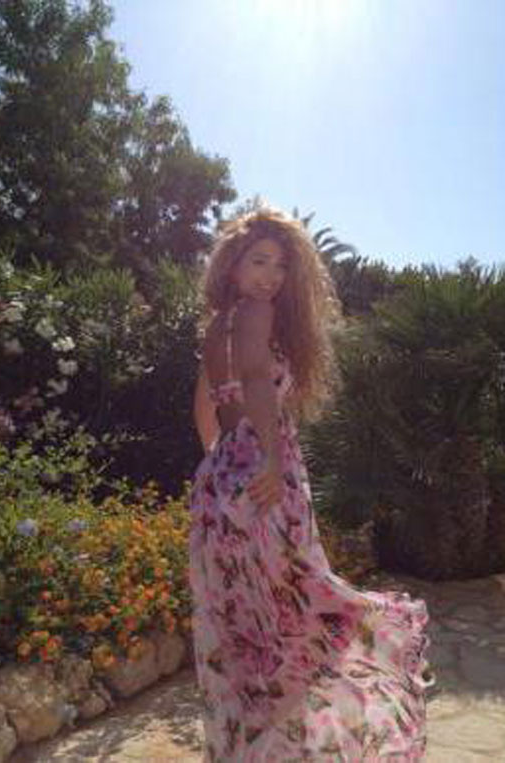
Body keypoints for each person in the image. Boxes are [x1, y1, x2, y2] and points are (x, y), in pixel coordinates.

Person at [188, 206, 435, 762]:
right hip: (262, 473)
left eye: (280, 266)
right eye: (258, 261)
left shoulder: (217, 324)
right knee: (299, 606)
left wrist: (218, 469)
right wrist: (271, 461)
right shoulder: (257, 313)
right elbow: (257, 379)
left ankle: (253, 748)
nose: (270, 277)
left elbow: (204, 404)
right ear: (232, 264)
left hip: (221, 481)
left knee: (242, 623)